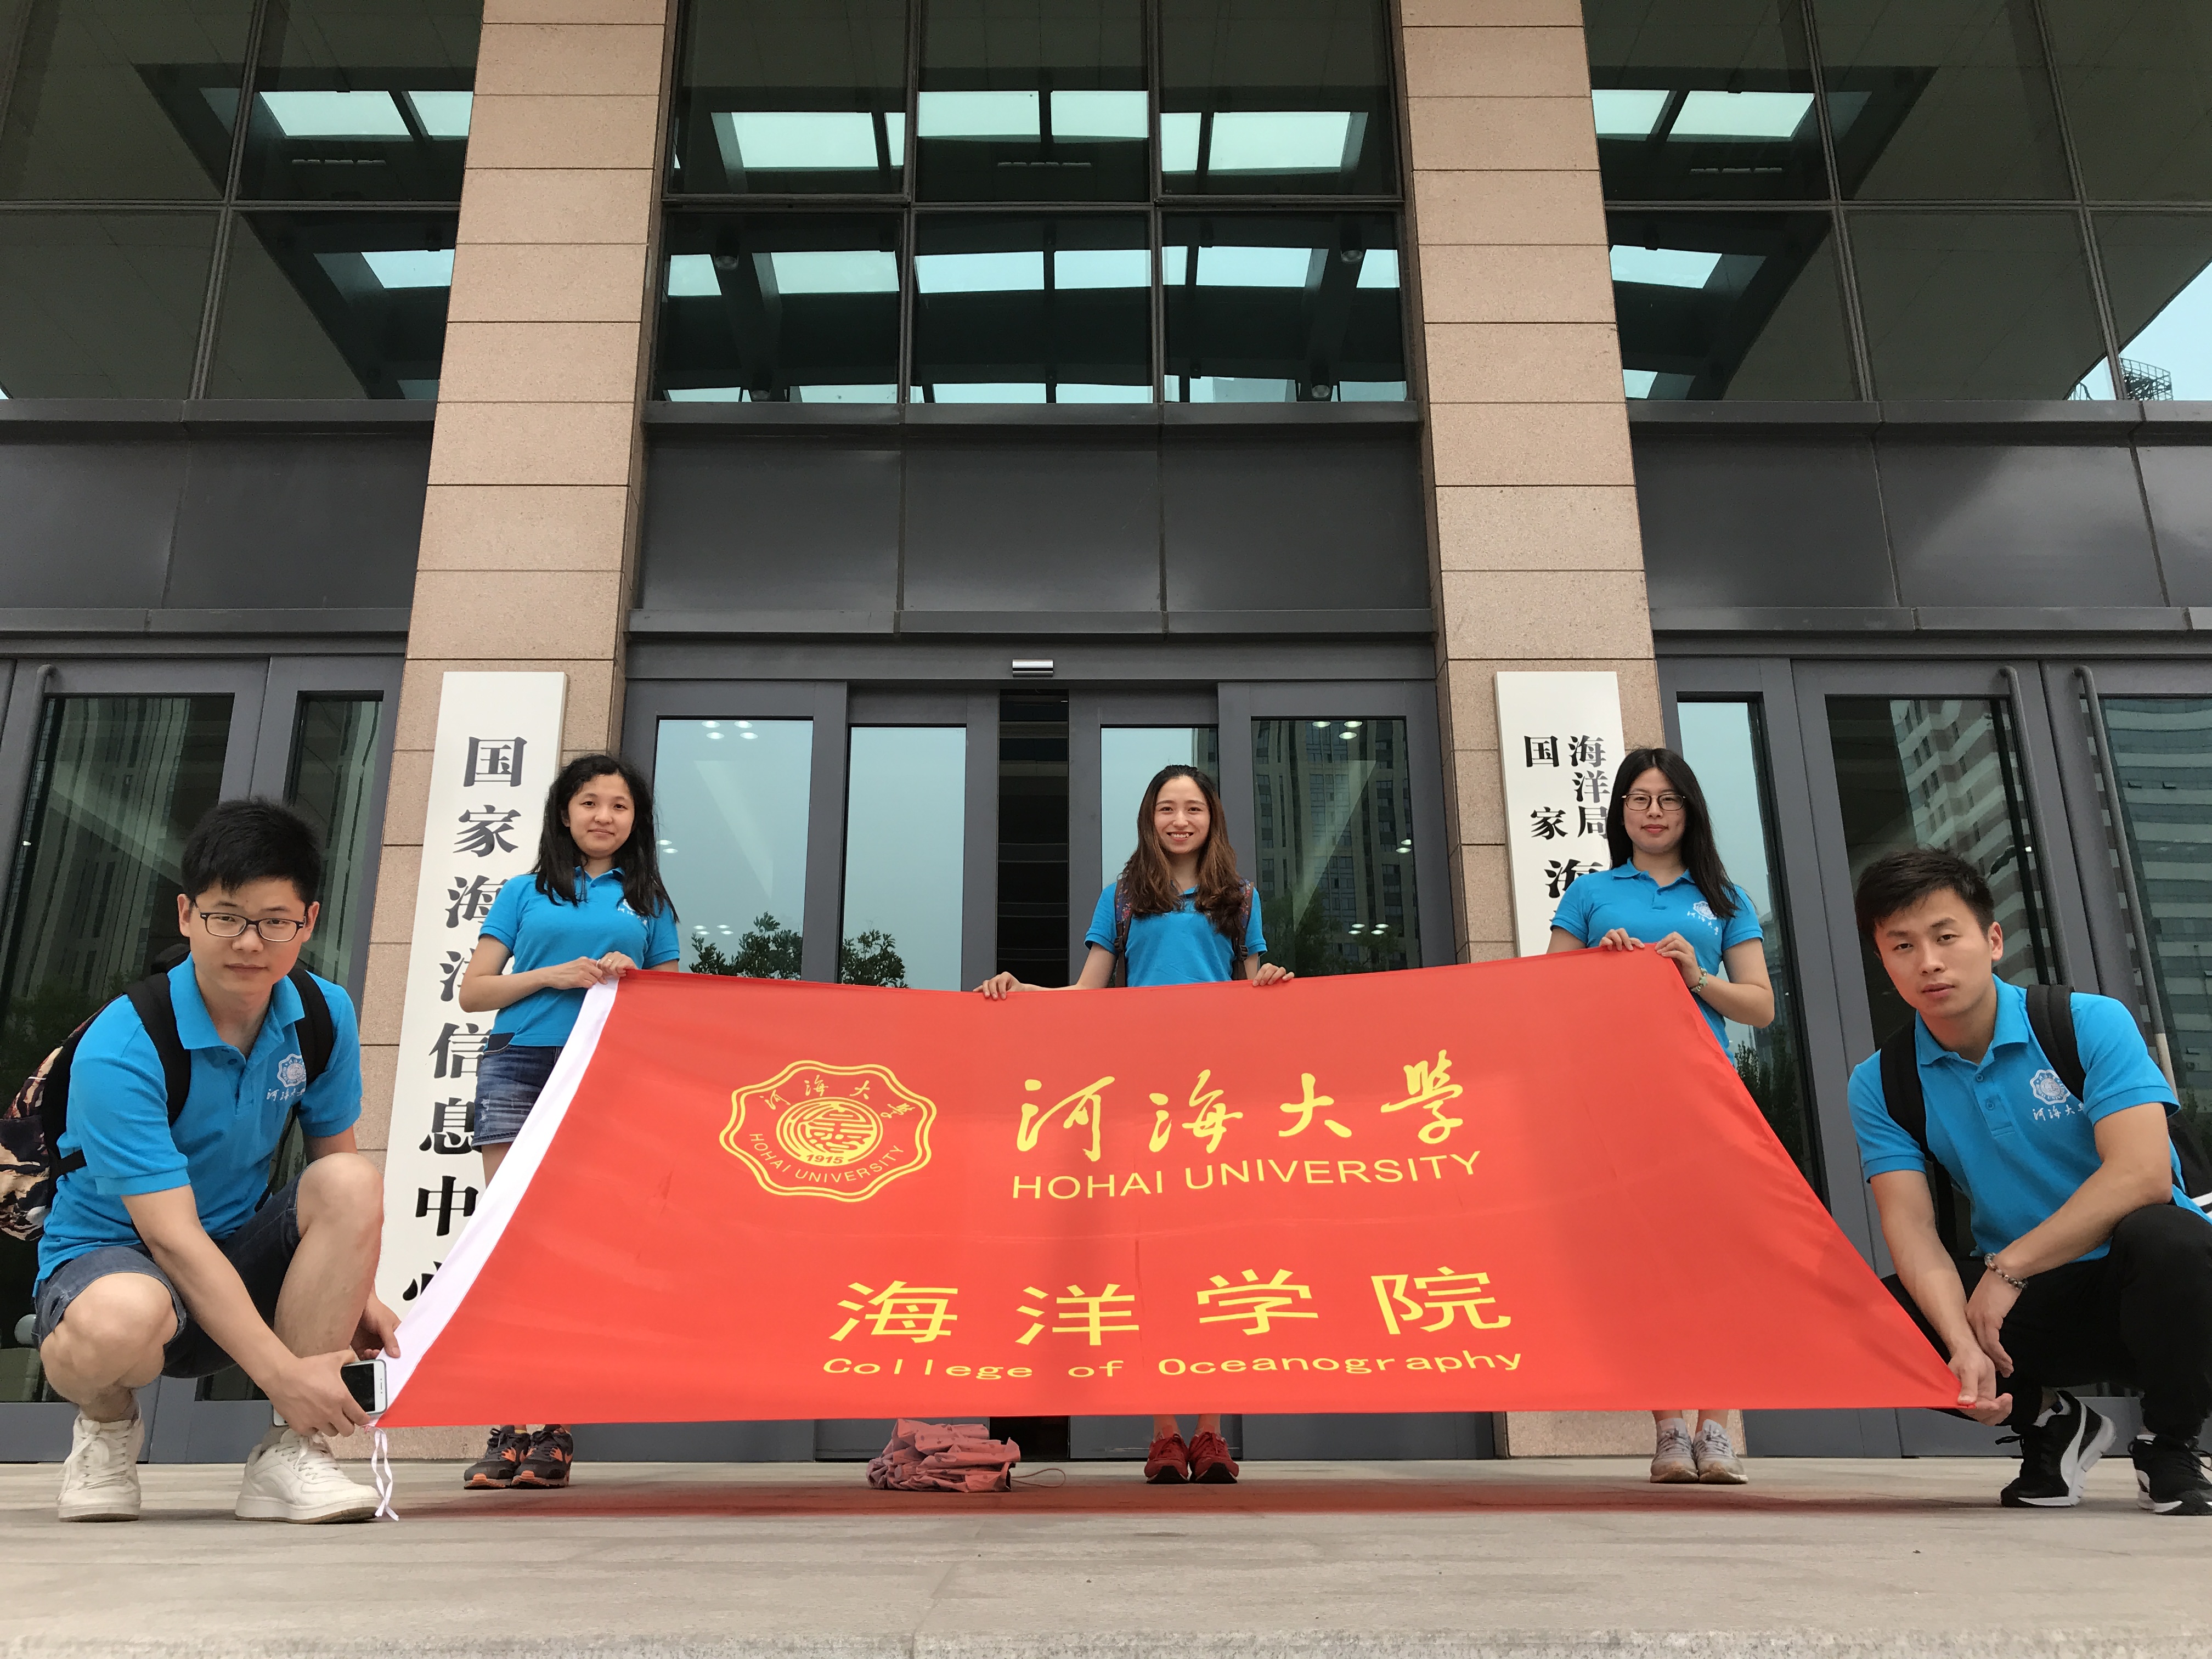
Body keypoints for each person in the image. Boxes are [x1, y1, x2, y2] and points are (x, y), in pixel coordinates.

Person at [35, 799, 393, 1524]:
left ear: (309, 922)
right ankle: (106, 1426)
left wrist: (359, 1298)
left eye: (275, 921)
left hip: (235, 1257)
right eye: (226, 917)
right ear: (187, 915)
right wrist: (283, 1373)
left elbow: (337, 1173)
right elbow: (170, 1237)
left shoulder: (323, 1015)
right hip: (115, 1264)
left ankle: (291, 1454)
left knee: (353, 1180)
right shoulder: (126, 1044)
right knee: (122, 1317)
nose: (250, 943)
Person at [1848, 847, 2212, 1515]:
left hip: (2161, 1295)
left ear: (1993, 940)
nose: (1928, 961)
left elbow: (2142, 1175)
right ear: (1884, 962)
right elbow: (1912, 1228)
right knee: (1876, 1320)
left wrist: (2008, 1269)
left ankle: (2170, 1445)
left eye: (1945, 936)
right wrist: (1959, 1345)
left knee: (2169, 1236)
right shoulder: (1882, 1082)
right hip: (2034, 1312)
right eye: (1902, 946)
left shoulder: (2086, 1023)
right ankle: (2051, 1421)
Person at [977, 764, 1293, 1485]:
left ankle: (1211, 1432)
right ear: (1150, 819)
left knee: (1212, 1263)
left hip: (1212, 1106)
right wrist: (1022, 991)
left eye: (1193, 809)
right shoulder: (1122, 897)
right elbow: (1088, 991)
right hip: (1142, 1102)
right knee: (1149, 1262)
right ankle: (1165, 1434)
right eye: (1167, 809)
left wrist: (1269, 979)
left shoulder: (1240, 899)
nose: (1180, 821)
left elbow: (1250, 989)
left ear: (1212, 819)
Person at [1547, 747, 1774, 1486]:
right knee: (1646, 1261)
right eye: (1639, 798)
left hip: (1706, 1092)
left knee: (1720, 1259)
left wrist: (1696, 976)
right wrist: (1597, 966)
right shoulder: (1590, 892)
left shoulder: (1725, 897)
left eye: (1668, 799)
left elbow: (1760, 1007)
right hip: (1621, 1098)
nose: (1653, 811)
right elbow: (1548, 995)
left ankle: (1718, 1428)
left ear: (1689, 810)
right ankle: (1669, 1427)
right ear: (1620, 811)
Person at [454, 753, 679, 1493]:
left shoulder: (649, 901)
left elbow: (677, 1004)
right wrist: (552, 975)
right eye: (590, 802)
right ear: (564, 812)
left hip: (605, 1076)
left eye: (619, 805)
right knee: (509, 1243)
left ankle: (553, 1428)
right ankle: (506, 1427)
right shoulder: (523, 891)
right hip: (518, 1066)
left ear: (635, 821)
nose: (604, 816)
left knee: (573, 1248)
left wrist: (632, 981)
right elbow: (474, 992)